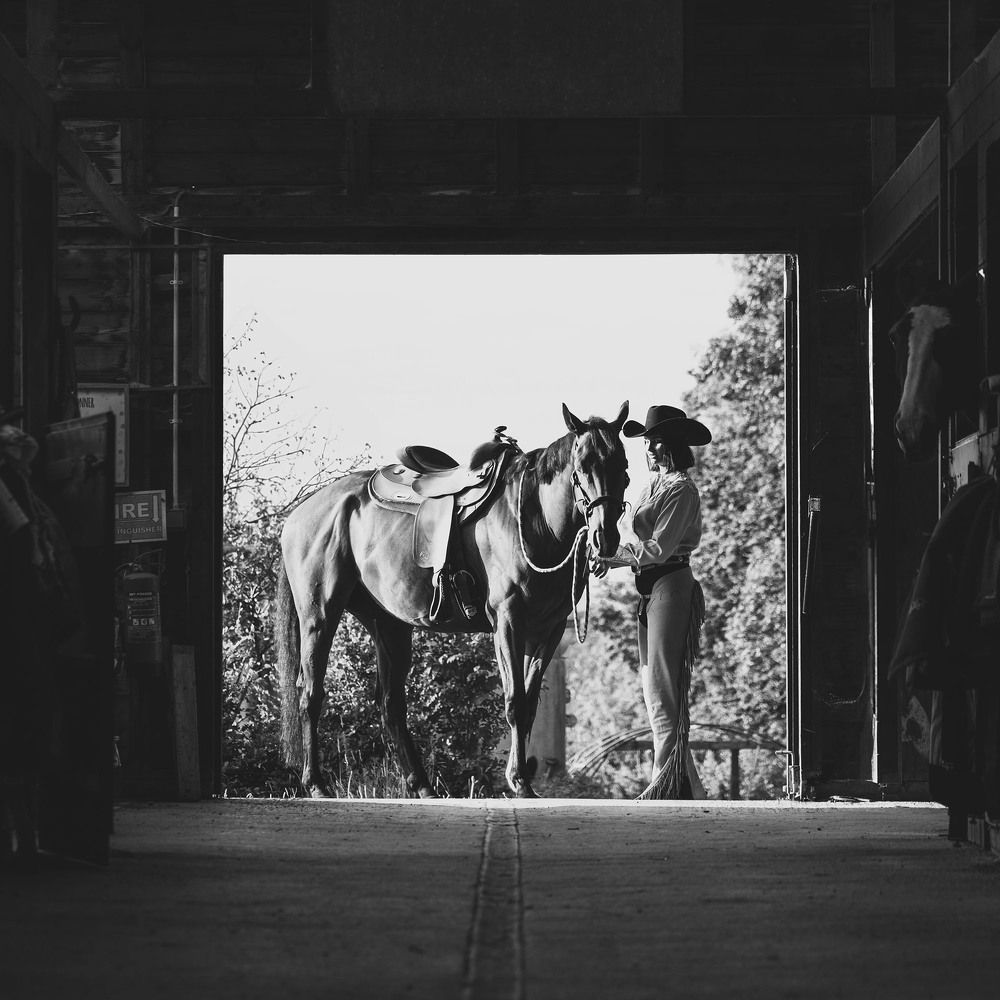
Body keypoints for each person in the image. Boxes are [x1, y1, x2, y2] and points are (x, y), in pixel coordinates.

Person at [596, 404, 712, 800]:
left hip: (671, 585)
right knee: (654, 688)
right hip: (650, 589)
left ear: (671, 446)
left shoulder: (681, 490)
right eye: (647, 441)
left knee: (663, 687)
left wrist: (612, 558)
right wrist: (609, 557)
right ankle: (680, 783)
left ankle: (665, 782)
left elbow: (660, 548)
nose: (648, 448)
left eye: (654, 441)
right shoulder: (651, 487)